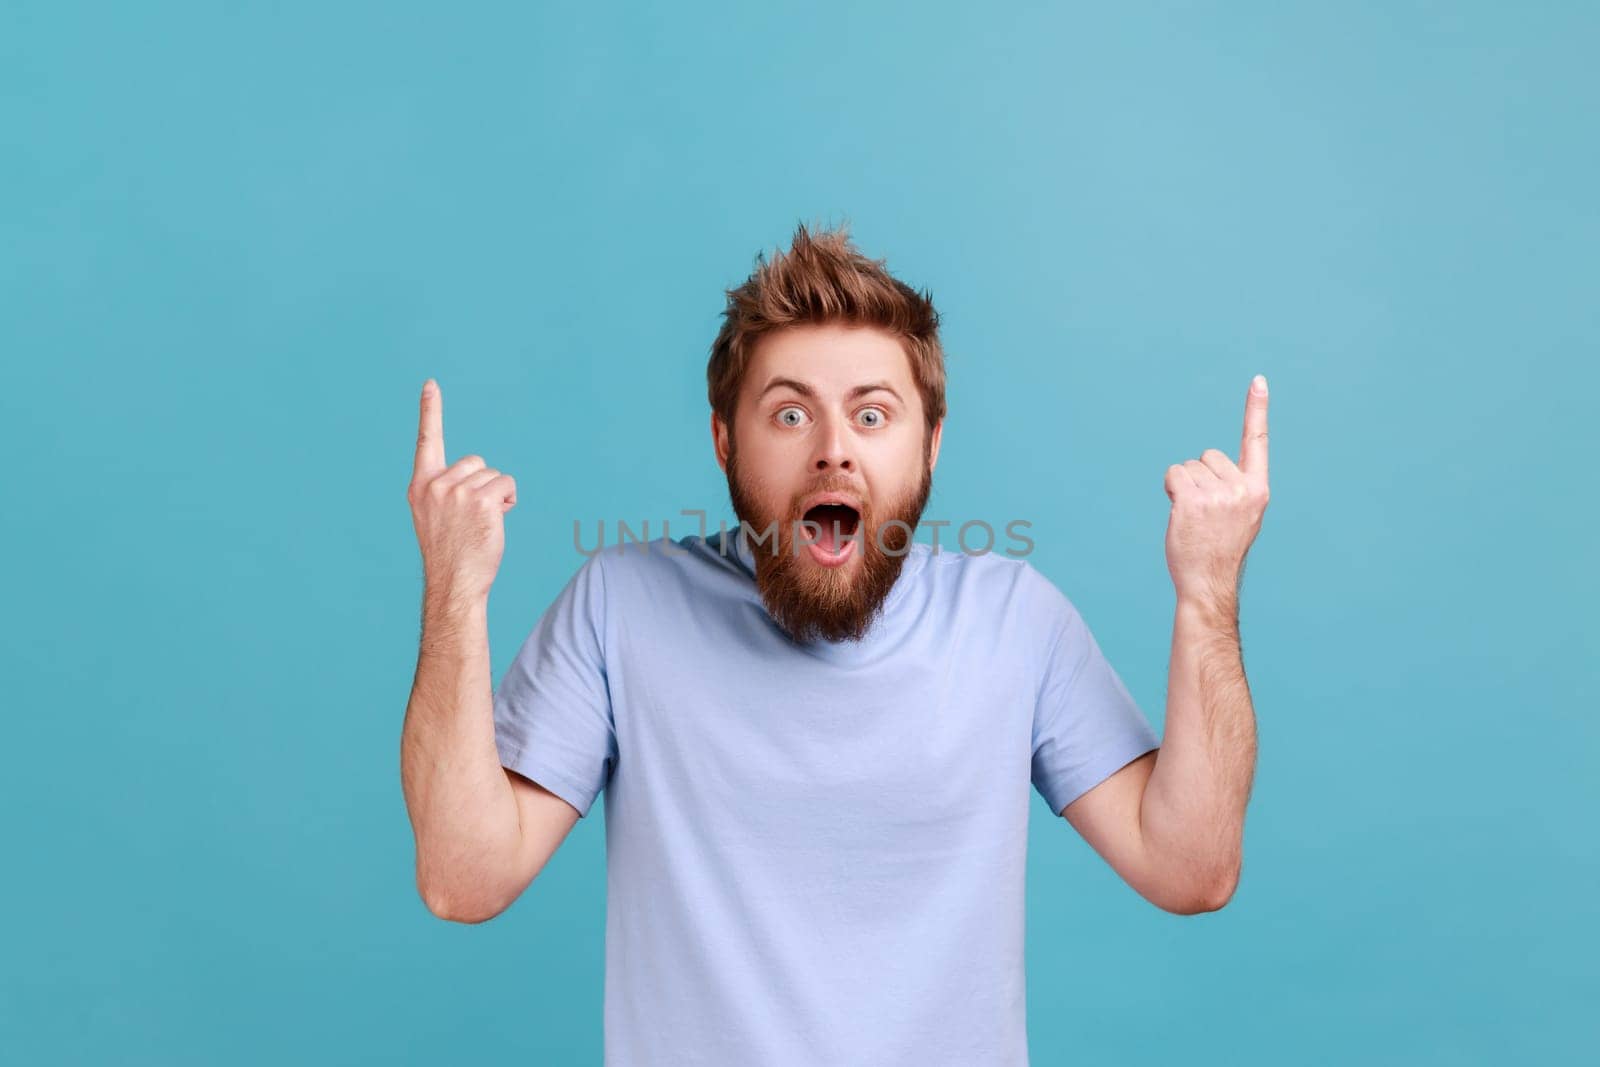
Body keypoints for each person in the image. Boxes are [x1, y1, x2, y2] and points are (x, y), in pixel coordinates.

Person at [399, 223, 1269, 1065]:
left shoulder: (1015, 621)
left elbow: (1189, 869)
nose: (833, 453)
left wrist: (1207, 592)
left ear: (930, 442)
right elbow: (462, 878)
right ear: (723, 440)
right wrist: (455, 589)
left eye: (874, 414)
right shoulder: (620, 607)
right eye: (787, 415)